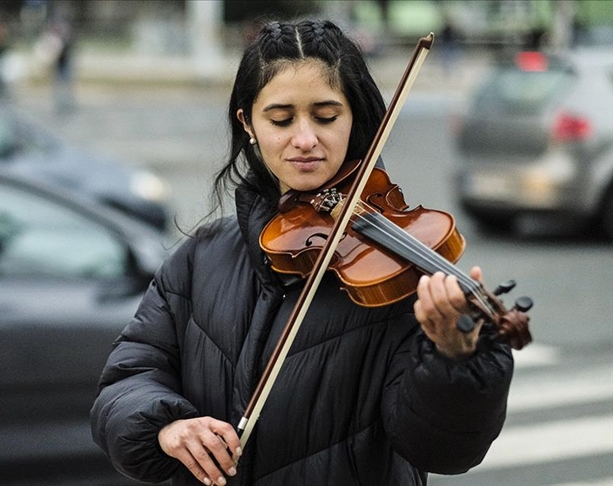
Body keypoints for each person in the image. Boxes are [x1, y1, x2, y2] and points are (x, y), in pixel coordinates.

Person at [91, 19, 514, 486]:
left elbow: (443, 449)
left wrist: (455, 361)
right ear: (247, 123)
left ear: (357, 122)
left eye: (327, 117)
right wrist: (166, 425)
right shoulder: (200, 259)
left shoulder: (401, 278)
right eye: (281, 119)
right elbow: (127, 380)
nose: (306, 139)